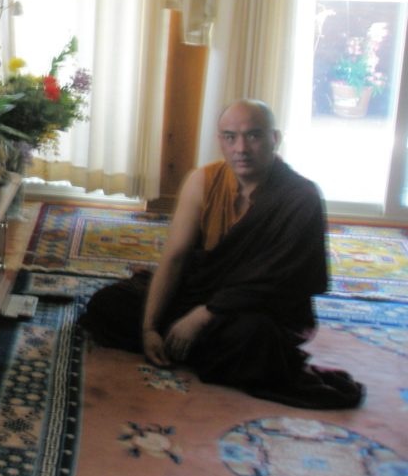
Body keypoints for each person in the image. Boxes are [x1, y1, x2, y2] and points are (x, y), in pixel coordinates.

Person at [79, 99, 363, 409]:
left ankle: (190, 342)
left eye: (253, 136)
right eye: (230, 137)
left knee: (254, 339)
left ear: (274, 139)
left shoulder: (301, 197)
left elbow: (282, 283)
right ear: (220, 142)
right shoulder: (204, 180)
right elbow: (175, 258)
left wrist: (202, 316)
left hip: (258, 308)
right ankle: (190, 346)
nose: (241, 147)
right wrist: (149, 327)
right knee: (107, 305)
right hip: (199, 292)